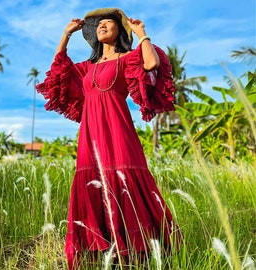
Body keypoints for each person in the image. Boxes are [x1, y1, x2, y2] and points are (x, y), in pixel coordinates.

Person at [36, 7, 181, 269]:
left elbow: (151, 64)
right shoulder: (86, 68)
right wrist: (66, 36)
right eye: (99, 24)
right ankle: (101, 250)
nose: (102, 26)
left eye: (108, 23)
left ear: (119, 31)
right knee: (91, 181)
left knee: (125, 178)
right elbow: (59, 71)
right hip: (91, 133)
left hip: (118, 129)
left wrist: (141, 33)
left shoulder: (127, 59)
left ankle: (141, 249)